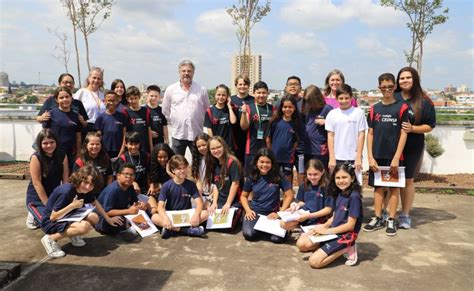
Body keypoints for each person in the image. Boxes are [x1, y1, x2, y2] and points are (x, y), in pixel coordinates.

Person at [363, 73, 410, 236]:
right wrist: (370, 156)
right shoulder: (374, 109)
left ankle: (391, 219)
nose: (387, 89)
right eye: (384, 87)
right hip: (377, 155)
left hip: (395, 157)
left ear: (395, 87)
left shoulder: (403, 107)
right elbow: (370, 133)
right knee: (378, 187)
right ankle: (377, 217)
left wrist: (397, 157)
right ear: (379, 88)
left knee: (394, 188)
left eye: (390, 86)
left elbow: (404, 133)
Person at [40, 166, 120, 258]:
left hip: (67, 216)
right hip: (50, 222)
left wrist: (108, 218)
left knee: (94, 217)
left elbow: (95, 202)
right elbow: (53, 217)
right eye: (85, 182)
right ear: (79, 179)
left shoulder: (85, 190)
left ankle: (74, 234)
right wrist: (72, 206)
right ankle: (50, 239)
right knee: (84, 226)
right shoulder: (66, 191)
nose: (88, 187)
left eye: (91, 184)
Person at [296, 163, 363, 268]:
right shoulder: (339, 192)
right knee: (301, 244)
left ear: (353, 178)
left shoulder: (354, 196)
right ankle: (326, 247)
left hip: (345, 235)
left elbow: (350, 226)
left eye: (344, 177)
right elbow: (335, 216)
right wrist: (324, 226)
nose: (341, 181)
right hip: (333, 231)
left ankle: (348, 247)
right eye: (338, 178)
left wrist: (326, 231)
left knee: (314, 262)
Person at [395, 67, 436, 229]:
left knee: (408, 180)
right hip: (391, 145)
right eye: (402, 78)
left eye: (408, 78)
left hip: (412, 146)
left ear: (415, 79)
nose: (404, 80)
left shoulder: (424, 101)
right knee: (388, 180)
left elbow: (430, 126)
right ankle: (386, 213)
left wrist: (412, 129)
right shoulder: (394, 97)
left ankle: (405, 214)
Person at [240, 148, 294, 243]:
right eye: (261, 162)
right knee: (249, 235)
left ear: (272, 163)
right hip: (255, 213)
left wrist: (280, 213)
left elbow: (289, 195)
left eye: (268, 162)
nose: (264, 165)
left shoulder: (278, 176)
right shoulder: (252, 176)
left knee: (277, 239)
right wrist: (248, 210)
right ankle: (263, 229)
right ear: (256, 162)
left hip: (273, 214)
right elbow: (243, 196)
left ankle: (271, 230)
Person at [151, 155, 209, 239]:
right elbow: (160, 206)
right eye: (179, 169)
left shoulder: (191, 184)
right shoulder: (166, 185)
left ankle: (171, 230)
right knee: (154, 217)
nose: (182, 171)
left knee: (205, 213)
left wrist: (196, 215)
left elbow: (199, 203)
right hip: (172, 216)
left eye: (184, 168)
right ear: (173, 170)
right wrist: (166, 218)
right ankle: (187, 231)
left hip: (187, 216)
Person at [162, 60, 210, 156]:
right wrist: (175, 121)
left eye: (189, 71)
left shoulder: (201, 89)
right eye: (183, 71)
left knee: (200, 163)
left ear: (193, 73)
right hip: (177, 134)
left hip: (196, 134)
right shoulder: (171, 89)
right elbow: (165, 110)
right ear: (179, 72)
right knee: (177, 164)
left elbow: (207, 109)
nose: (186, 73)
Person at [26, 129, 69, 229]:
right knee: (49, 223)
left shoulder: (62, 155)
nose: (49, 146)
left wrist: (66, 199)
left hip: (54, 195)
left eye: (51, 142)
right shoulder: (36, 157)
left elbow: (65, 179)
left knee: (66, 216)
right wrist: (48, 206)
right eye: (45, 143)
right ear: (39, 144)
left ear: (56, 142)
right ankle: (32, 215)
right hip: (37, 198)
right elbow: (37, 183)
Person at [95, 163, 149, 242]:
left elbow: (134, 203)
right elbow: (107, 211)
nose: (129, 177)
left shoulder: (130, 187)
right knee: (118, 222)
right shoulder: (113, 190)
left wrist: (141, 205)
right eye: (126, 175)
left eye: (132, 175)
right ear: (118, 176)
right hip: (104, 217)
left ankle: (130, 228)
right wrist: (128, 211)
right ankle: (129, 228)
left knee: (146, 213)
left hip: (122, 213)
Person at [280, 159, 332, 231]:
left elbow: (328, 210)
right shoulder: (304, 185)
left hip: (318, 218)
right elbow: (301, 201)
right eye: (309, 174)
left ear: (322, 172)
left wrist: (309, 216)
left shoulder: (327, 187)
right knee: (283, 223)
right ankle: (298, 229)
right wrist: (295, 205)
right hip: (303, 215)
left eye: (315, 174)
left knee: (302, 242)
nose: (312, 177)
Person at [325, 85, 368, 173]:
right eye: (341, 98)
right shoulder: (332, 114)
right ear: (336, 99)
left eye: (346, 98)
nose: (344, 101)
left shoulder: (358, 112)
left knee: (355, 185)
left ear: (351, 98)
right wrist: (332, 157)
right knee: (337, 184)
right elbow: (330, 136)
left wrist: (358, 157)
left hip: (354, 158)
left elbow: (361, 135)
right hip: (337, 158)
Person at [204, 136, 243, 229]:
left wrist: (228, 203)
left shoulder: (232, 162)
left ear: (224, 146)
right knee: (205, 220)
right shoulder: (213, 163)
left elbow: (235, 184)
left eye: (218, 147)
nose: (216, 150)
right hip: (221, 201)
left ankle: (239, 212)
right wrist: (214, 203)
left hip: (234, 201)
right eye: (213, 148)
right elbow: (216, 186)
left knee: (225, 226)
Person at [43, 87, 82, 171]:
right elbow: (44, 134)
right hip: (54, 152)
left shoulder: (75, 115)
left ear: (71, 98)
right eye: (61, 98)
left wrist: (78, 152)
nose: (65, 99)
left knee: (69, 177)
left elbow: (78, 136)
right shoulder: (50, 114)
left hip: (70, 153)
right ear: (56, 100)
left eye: (67, 97)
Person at [240, 81, 274, 174]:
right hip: (251, 148)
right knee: (250, 175)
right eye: (259, 93)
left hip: (267, 148)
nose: (261, 95)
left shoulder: (272, 109)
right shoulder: (248, 108)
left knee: (267, 175)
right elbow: (243, 127)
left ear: (267, 93)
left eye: (264, 93)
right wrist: (243, 113)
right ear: (254, 93)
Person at [267, 95, 302, 183]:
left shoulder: (296, 123)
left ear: (294, 108)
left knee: (287, 179)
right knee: (274, 179)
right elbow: (268, 138)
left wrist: (291, 152)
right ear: (281, 107)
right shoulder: (275, 121)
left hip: (288, 158)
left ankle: (289, 195)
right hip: (275, 157)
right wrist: (271, 152)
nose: (287, 109)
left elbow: (296, 141)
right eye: (285, 107)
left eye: (290, 107)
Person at [302, 85, 332, 169]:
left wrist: (326, 122)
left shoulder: (327, 109)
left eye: (310, 101)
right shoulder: (308, 110)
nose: (309, 103)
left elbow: (337, 124)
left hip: (320, 150)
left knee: (321, 172)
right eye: (307, 101)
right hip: (308, 148)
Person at [95, 90, 127, 159]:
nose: (111, 103)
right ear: (104, 101)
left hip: (119, 151)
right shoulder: (100, 117)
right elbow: (99, 137)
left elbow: (125, 135)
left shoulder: (122, 116)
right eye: (109, 100)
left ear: (117, 102)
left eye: (113, 100)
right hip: (104, 152)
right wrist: (103, 153)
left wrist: (121, 152)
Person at [204, 84, 237, 151]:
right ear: (215, 95)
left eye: (223, 95)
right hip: (217, 147)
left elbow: (233, 121)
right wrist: (213, 144)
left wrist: (229, 107)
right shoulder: (209, 111)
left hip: (229, 146)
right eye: (218, 94)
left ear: (227, 96)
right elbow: (209, 130)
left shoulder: (230, 109)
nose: (221, 97)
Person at [230, 75, 254, 165]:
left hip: (249, 137)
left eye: (245, 84)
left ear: (248, 86)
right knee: (235, 164)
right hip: (234, 137)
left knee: (247, 165)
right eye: (240, 84)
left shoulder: (253, 100)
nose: (242, 86)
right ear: (236, 85)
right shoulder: (230, 100)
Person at [73, 67, 106, 134]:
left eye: (99, 78)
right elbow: (73, 108)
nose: (96, 80)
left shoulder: (103, 94)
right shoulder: (81, 92)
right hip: (86, 127)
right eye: (94, 78)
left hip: (101, 128)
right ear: (89, 78)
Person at [122, 86, 153, 155]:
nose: (134, 101)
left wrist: (151, 148)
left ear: (139, 97)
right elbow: (124, 133)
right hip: (131, 146)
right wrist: (123, 149)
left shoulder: (146, 111)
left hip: (144, 146)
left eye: (136, 98)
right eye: (131, 99)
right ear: (127, 99)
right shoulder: (125, 112)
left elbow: (149, 131)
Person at [190, 133, 217, 208]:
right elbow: (198, 180)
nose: (202, 148)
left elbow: (217, 184)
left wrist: (209, 200)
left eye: (204, 145)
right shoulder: (198, 160)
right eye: (199, 146)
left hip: (214, 195)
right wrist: (200, 197)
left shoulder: (215, 159)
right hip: (203, 194)